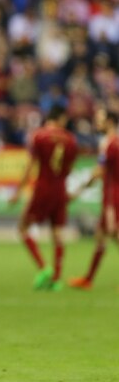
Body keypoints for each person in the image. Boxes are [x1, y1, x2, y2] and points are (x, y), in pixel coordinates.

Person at [9, 104, 78, 291]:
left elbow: (30, 166)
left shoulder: (39, 136)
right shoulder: (71, 140)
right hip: (60, 189)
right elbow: (69, 169)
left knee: (23, 227)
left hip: (43, 188)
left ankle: (43, 267)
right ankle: (56, 278)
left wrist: (17, 192)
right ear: (61, 118)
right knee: (58, 233)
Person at [69, 110, 119, 290]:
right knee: (102, 236)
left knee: (112, 233)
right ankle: (88, 278)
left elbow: (99, 171)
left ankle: (88, 279)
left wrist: (80, 189)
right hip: (110, 193)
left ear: (110, 122)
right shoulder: (111, 142)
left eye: (100, 119)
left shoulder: (110, 143)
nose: (97, 123)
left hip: (113, 196)